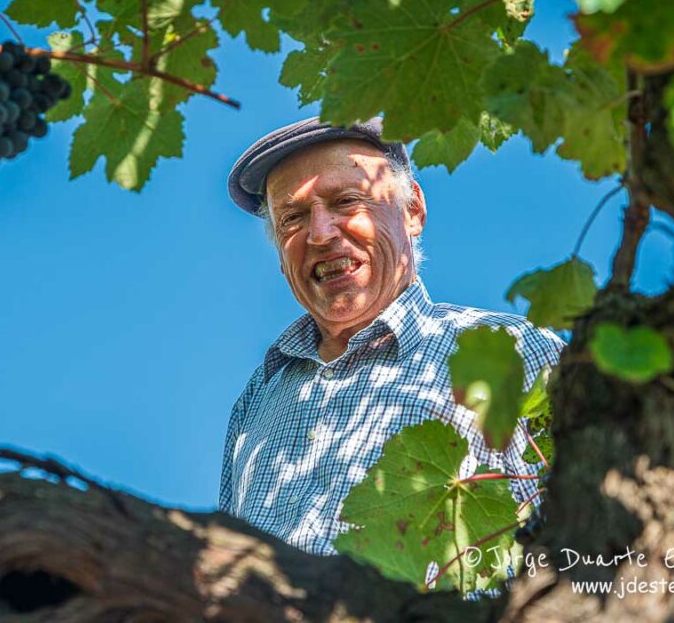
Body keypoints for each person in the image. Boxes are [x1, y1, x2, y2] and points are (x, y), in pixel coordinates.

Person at [219, 116, 564, 556]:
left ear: (413, 210)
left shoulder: (519, 353)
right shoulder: (259, 398)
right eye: (293, 217)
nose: (321, 234)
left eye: (346, 201)